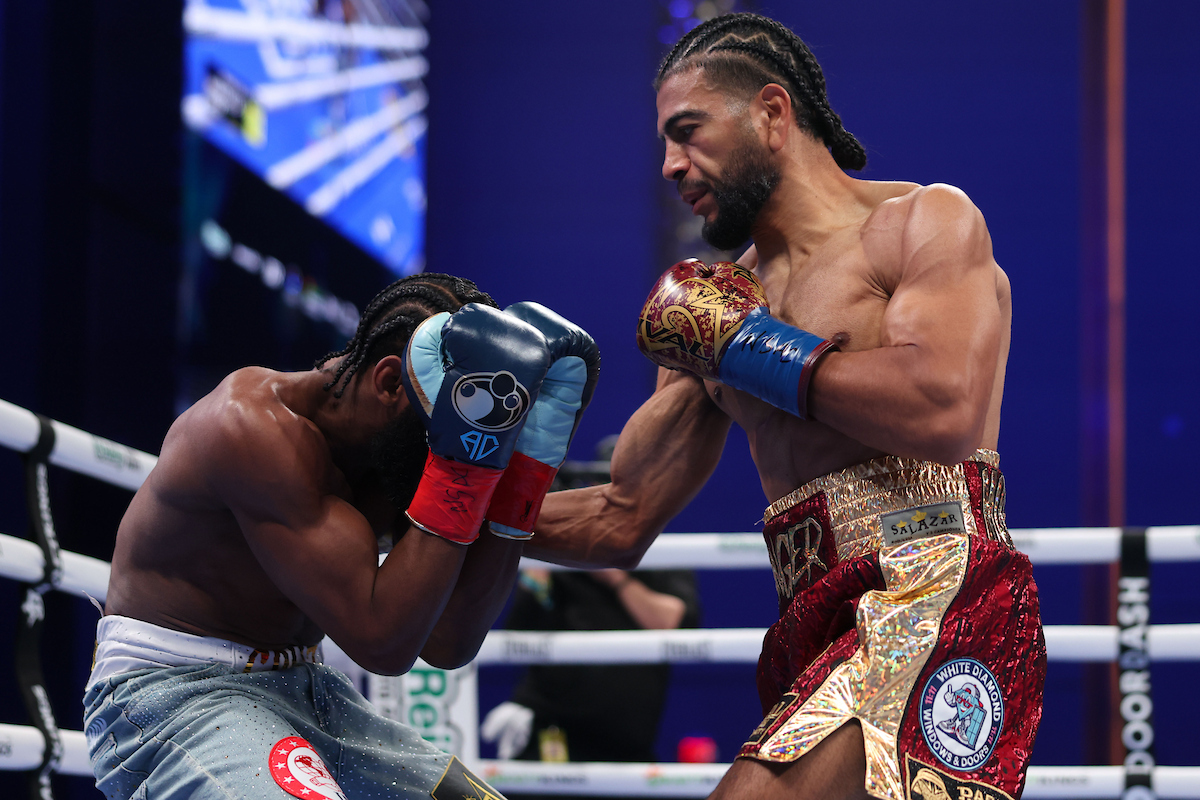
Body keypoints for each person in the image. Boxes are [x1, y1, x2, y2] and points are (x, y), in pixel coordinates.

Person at [527, 13, 1045, 800]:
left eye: (688, 131)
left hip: (936, 590)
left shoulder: (918, 224)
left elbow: (941, 410)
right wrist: (447, 503)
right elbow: (619, 516)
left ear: (772, 114)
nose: (670, 164)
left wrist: (750, 349)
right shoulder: (721, 303)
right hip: (815, 613)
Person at [82, 273, 600, 800]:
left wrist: (524, 471)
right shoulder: (250, 428)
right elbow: (383, 642)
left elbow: (448, 640)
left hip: (309, 691)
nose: (457, 443)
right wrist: (463, 462)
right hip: (174, 695)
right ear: (392, 383)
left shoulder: (400, 440)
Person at [481, 566, 699, 770]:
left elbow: (674, 622)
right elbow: (517, 636)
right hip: (554, 732)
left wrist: (615, 577)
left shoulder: (655, 553)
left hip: (628, 744)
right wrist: (536, 576)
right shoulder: (560, 562)